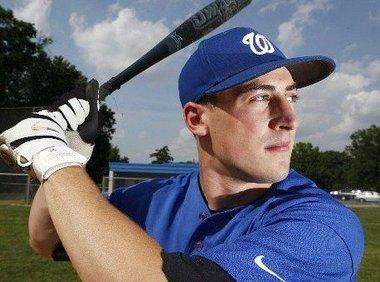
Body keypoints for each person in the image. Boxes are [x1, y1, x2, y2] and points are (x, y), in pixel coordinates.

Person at [0, 27, 364, 281]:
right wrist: (68, 154)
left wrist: (53, 160)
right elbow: (46, 240)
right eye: (261, 98)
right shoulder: (152, 199)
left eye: (292, 96)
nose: (290, 118)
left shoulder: (323, 228)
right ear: (196, 118)